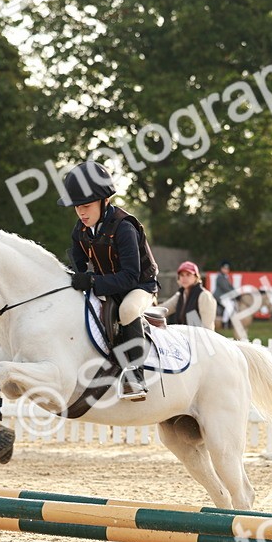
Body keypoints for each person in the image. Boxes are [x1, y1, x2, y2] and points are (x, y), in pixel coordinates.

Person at [60, 161, 160, 401]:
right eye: (77, 208)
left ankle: (136, 375)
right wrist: (79, 277)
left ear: (104, 201)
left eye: (86, 206)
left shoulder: (124, 227)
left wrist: (92, 282)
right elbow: (79, 262)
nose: (81, 213)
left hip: (140, 286)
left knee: (126, 311)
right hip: (109, 284)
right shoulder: (81, 230)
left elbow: (130, 276)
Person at [161, 261, 217, 329]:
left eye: (188, 274)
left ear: (196, 277)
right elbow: (162, 309)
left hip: (200, 337)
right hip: (183, 337)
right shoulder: (180, 295)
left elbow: (208, 328)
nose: (184, 278)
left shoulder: (204, 296)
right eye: (182, 275)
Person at [213, 260, 237, 328]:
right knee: (229, 306)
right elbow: (225, 288)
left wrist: (236, 292)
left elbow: (230, 286)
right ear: (221, 269)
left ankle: (230, 322)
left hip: (225, 296)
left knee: (232, 304)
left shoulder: (226, 277)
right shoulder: (220, 277)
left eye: (227, 269)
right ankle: (224, 322)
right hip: (219, 296)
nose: (226, 270)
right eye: (224, 268)